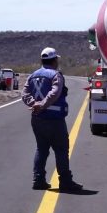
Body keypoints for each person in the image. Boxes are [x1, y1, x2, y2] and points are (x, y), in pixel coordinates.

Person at [21, 47, 82, 191]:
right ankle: (65, 182)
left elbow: (24, 93)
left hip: (37, 119)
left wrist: (34, 103)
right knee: (61, 150)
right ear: (54, 60)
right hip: (54, 120)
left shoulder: (32, 75)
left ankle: (38, 180)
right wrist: (42, 104)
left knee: (41, 149)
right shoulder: (55, 75)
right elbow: (55, 92)